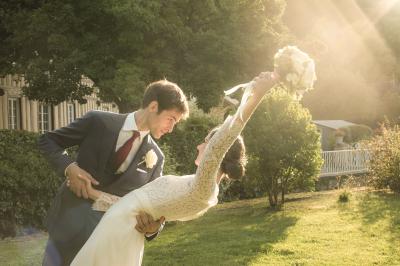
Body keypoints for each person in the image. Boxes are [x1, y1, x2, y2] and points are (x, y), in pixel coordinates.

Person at [71, 72, 279, 266]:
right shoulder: (198, 187)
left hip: (119, 232)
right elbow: (133, 207)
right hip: (119, 228)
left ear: (217, 150)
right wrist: (93, 194)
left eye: (205, 141)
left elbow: (224, 138)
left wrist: (257, 94)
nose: (199, 146)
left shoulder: (204, 188)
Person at [39, 79, 189, 266]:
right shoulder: (97, 121)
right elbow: (48, 141)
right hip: (67, 228)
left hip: (111, 241)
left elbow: (154, 204)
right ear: (153, 106)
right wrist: (70, 168)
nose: (171, 128)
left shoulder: (156, 158)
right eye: (171, 119)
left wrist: (153, 228)